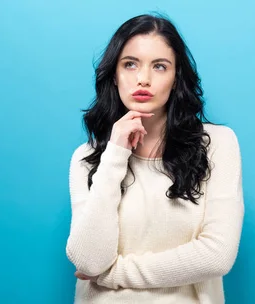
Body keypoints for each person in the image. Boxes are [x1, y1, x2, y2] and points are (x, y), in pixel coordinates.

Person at [65, 13, 244, 303]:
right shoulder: (87, 157)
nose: (143, 79)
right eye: (130, 64)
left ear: (176, 79)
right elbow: (88, 260)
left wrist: (112, 274)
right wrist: (115, 154)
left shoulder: (218, 145)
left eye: (159, 66)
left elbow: (217, 255)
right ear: (114, 75)